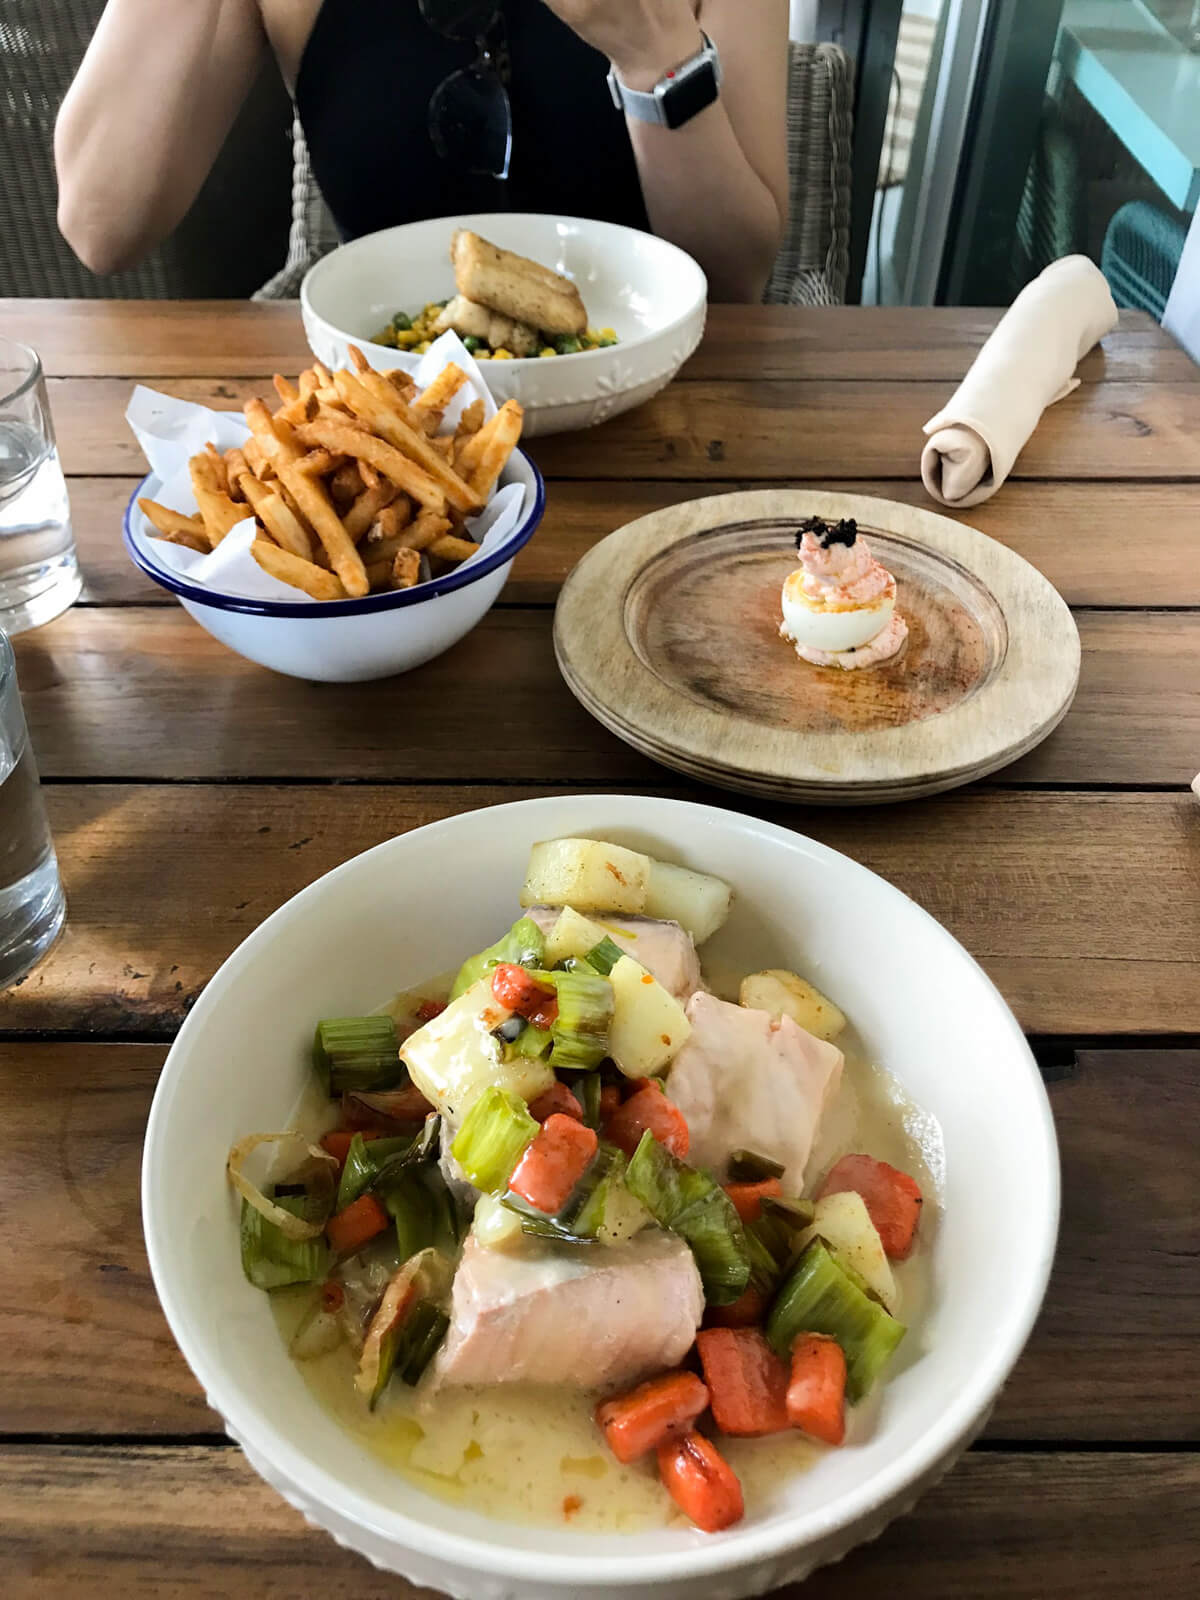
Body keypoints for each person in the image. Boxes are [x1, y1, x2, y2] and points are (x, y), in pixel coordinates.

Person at [56, 1, 790, 304]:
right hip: (388, 436)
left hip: (655, 434)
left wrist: (653, 51)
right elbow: (101, 222)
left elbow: (734, 278)